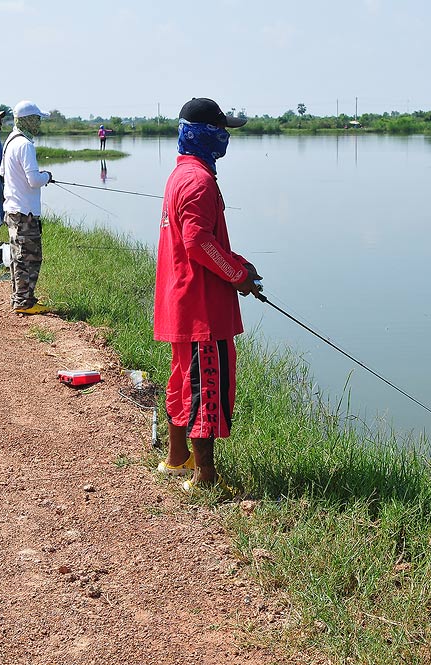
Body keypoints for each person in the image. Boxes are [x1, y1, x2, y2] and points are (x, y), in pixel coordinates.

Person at [153, 97, 259, 491]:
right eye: (223, 129)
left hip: (180, 301)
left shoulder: (181, 175)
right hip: (201, 306)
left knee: (183, 380)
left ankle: (177, 458)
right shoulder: (198, 181)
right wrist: (236, 275)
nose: (227, 137)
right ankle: (205, 476)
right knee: (206, 386)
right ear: (205, 134)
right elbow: (197, 240)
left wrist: (239, 264)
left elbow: (197, 238)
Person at [0, 100, 53, 315]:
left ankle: (21, 297)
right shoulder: (26, 145)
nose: (39, 123)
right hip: (25, 213)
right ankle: (24, 302)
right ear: (28, 120)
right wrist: (47, 176)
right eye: (37, 119)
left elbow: (4, 172)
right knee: (30, 257)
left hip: (13, 210)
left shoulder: (10, 141)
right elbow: (33, 180)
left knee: (17, 257)